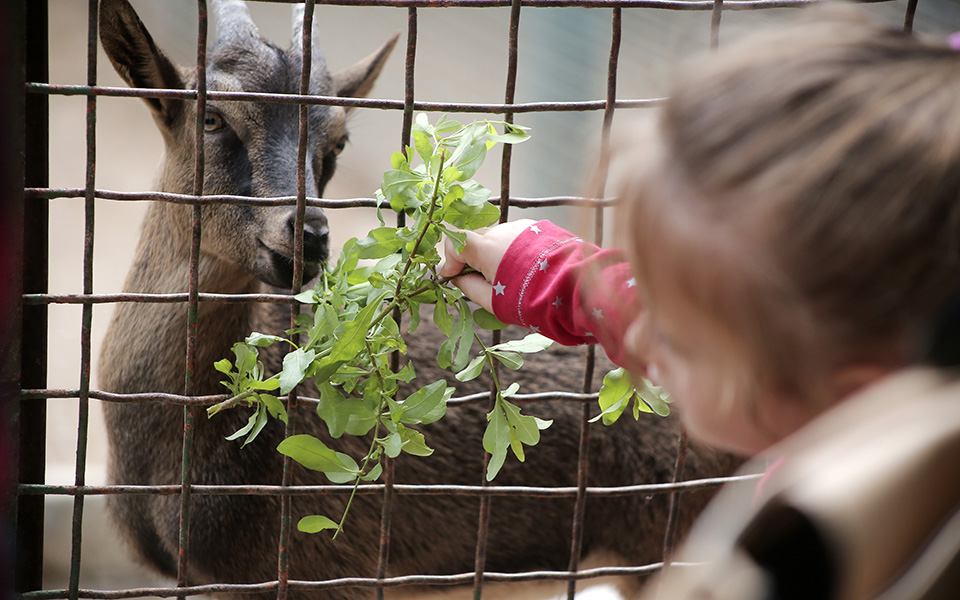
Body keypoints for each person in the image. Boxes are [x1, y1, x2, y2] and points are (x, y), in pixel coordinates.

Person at [439, 4, 960, 598]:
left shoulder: (844, 558)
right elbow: (737, 327)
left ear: (853, 399)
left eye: (676, 334)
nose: (636, 340)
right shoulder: (877, 425)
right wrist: (562, 278)